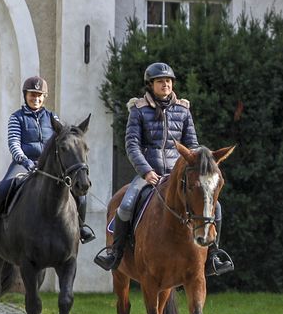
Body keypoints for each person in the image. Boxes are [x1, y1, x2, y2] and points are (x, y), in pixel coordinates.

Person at [93, 62, 234, 275]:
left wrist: (195, 165)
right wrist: (146, 171)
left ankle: (213, 256)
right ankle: (116, 252)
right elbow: (132, 144)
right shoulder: (138, 110)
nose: (165, 85)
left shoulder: (183, 109)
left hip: (179, 174)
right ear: (151, 85)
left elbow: (192, 144)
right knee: (126, 204)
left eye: (168, 81)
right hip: (149, 173)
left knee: (217, 206)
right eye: (160, 81)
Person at [0, 76, 94, 242]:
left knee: (80, 194)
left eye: (39, 95)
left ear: (44, 97)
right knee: (4, 187)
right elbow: (14, 143)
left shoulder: (53, 118)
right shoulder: (17, 118)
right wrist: (25, 161)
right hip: (24, 163)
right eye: (32, 94)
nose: (35, 98)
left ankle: (81, 227)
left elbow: (62, 139)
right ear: (26, 95)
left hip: (49, 164)